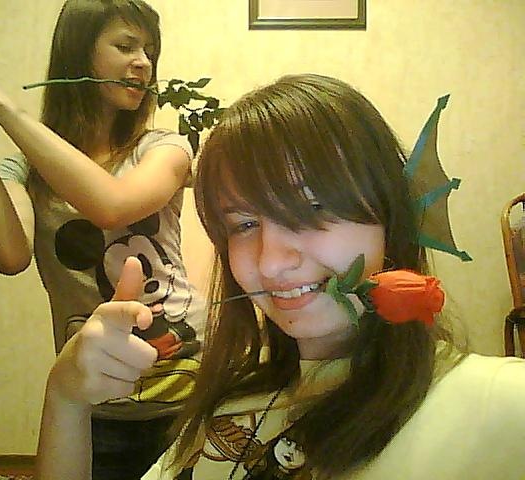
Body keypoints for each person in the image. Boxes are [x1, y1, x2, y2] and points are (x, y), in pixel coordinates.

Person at [40, 73, 525, 480]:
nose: (270, 263)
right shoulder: (226, 412)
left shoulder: (499, 403)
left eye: (311, 207)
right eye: (243, 225)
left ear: (390, 215)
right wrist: (67, 399)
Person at [0, 2, 205, 479]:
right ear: (79, 53)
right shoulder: (27, 171)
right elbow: (8, 254)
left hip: (190, 386)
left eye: (150, 51)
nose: (143, 62)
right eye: (125, 46)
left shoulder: (163, 149)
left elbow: (112, 205)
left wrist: (0, 104)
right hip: (95, 394)